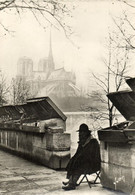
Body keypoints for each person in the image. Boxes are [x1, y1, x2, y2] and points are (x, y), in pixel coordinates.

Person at [62, 123, 101, 191]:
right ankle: (71, 181)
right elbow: (78, 154)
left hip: (92, 164)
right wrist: (73, 159)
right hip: (84, 162)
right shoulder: (82, 142)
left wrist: (79, 159)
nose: (80, 134)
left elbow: (92, 156)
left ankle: (72, 184)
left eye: (82, 132)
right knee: (74, 161)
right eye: (80, 132)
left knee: (78, 164)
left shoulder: (93, 142)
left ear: (86, 133)